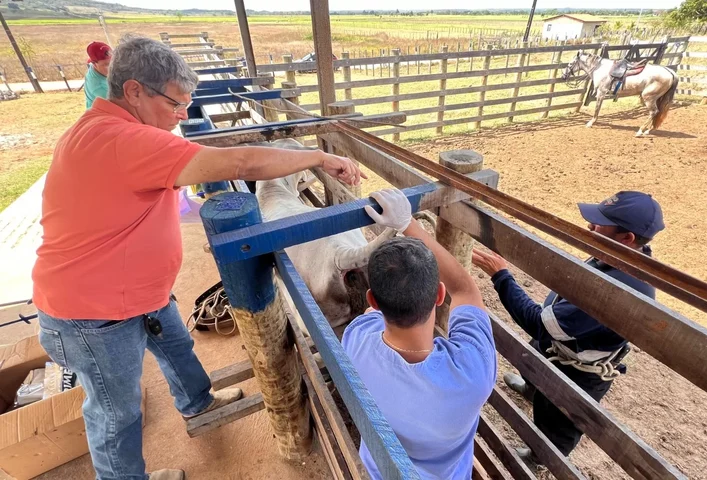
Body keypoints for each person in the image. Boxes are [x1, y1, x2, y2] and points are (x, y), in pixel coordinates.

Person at [33, 35, 364, 480]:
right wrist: (318, 156)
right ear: (133, 91)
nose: (183, 115)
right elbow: (241, 164)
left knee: (176, 345)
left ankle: (197, 402)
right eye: (174, 104)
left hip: (133, 291)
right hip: (94, 312)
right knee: (116, 414)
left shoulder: (96, 128)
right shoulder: (128, 141)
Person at [472, 191, 665, 461]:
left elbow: (537, 323)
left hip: (576, 366)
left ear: (626, 238)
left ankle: (541, 458)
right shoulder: (618, 256)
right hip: (561, 340)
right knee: (536, 361)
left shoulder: (616, 292)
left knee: (559, 419)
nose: (590, 226)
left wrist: (502, 276)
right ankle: (532, 388)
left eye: (599, 224)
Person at [342, 189, 497, 479]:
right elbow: (465, 289)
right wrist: (408, 224)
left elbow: (368, 318)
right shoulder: (474, 371)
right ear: (439, 295)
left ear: (373, 300)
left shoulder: (356, 341)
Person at [84, 41, 112, 109]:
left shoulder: (99, 70)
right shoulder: (101, 88)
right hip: (105, 117)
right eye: (107, 64)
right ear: (94, 64)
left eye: (113, 61)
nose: (113, 67)